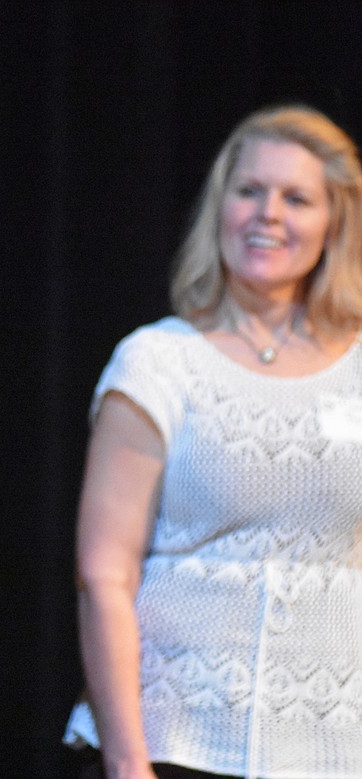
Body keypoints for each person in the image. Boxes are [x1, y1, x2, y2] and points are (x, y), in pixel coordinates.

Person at [64, 104, 362, 779]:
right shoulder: (158, 361)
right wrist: (127, 761)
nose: (269, 214)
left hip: (337, 748)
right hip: (174, 743)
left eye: (297, 198)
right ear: (219, 206)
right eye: (249, 190)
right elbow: (104, 574)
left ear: (333, 221)